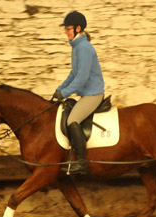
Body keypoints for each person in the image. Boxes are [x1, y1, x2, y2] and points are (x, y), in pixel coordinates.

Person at [52, 11, 105, 175]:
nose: (66, 32)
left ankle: (82, 162)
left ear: (78, 28)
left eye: (68, 29)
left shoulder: (84, 48)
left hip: (93, 94)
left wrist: (66, 92)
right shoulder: (77, 47)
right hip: (86, 93)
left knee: (72, 120)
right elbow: (74, 74)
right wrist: (60, 89)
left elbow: (82, 78)